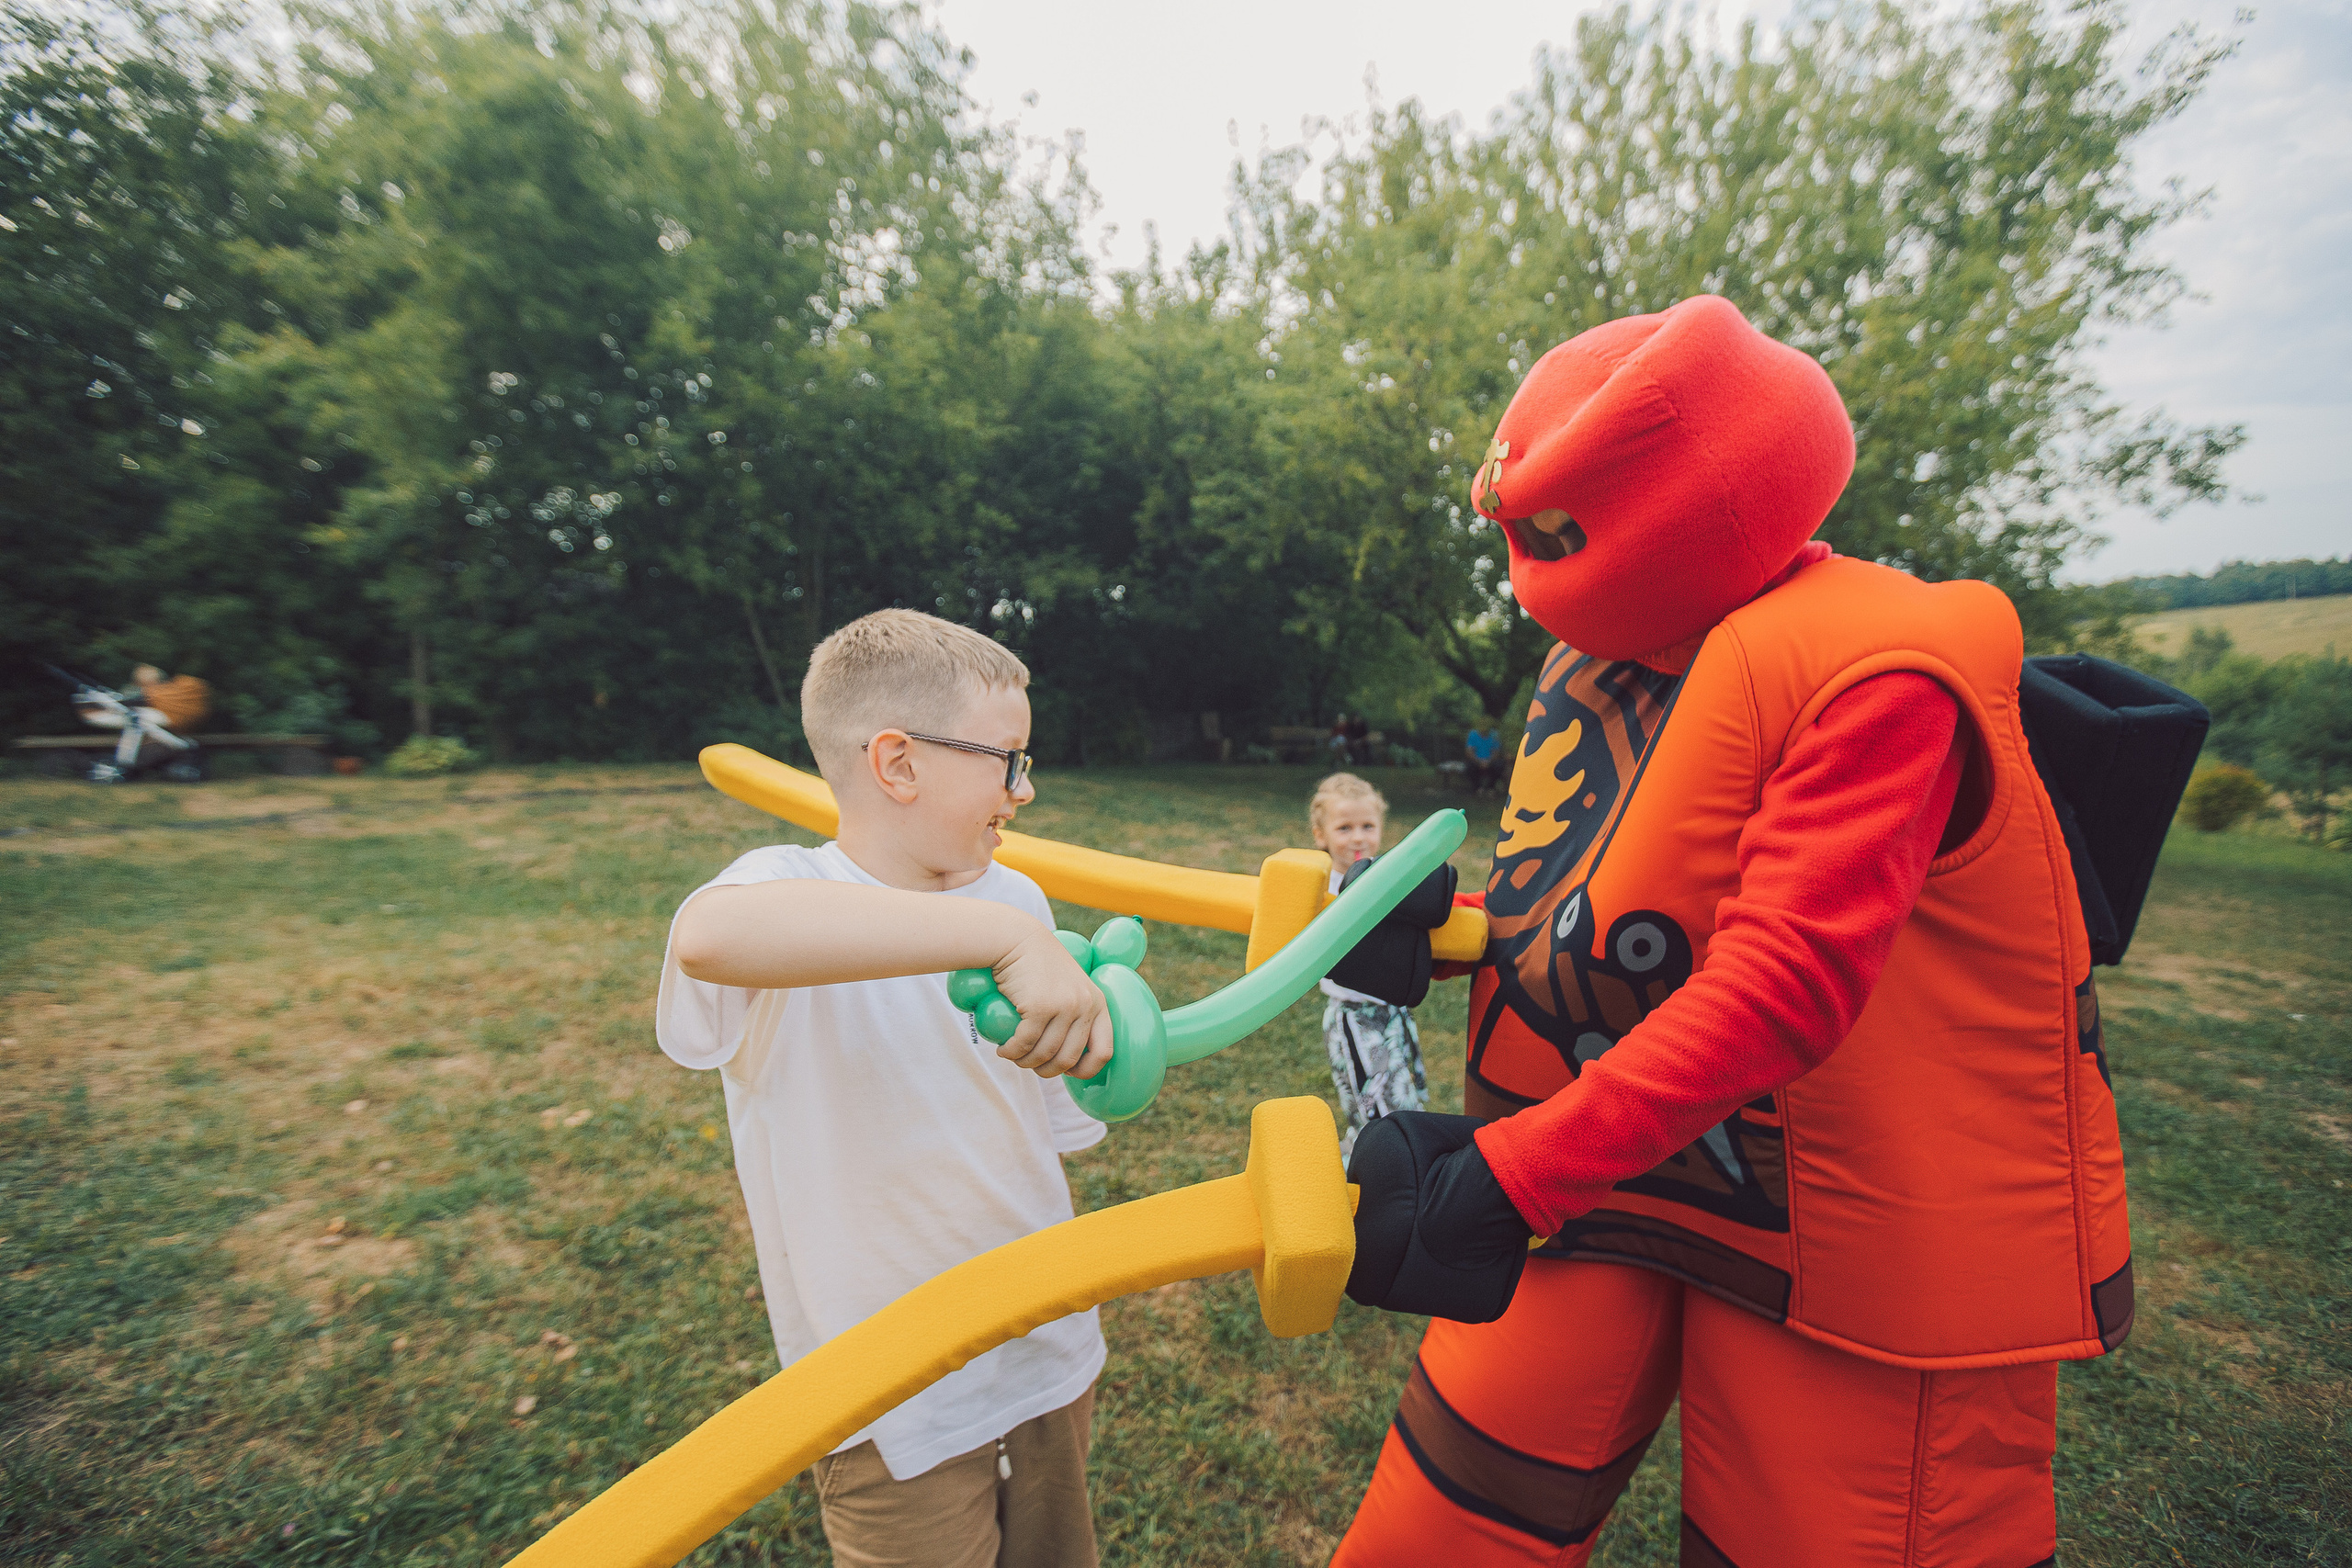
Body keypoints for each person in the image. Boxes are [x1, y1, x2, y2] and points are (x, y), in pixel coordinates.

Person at [1332, 297, 2132, 1567]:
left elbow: (1780, 986)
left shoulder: (1882, 670)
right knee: (1457, 1505)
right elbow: (1613, 900)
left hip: (1862, 1226)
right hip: (1610, 1168)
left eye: (1547, 527)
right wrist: (1447, 938)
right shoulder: (1608, 660)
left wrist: (1512, 1170)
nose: (1525, 560)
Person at [660, 609, 1114, 1568]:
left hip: (1042, 1342)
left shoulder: (1017, 900)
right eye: (1008, 762)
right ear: (898, 764)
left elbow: (1054, 1122)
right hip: (881, 1388)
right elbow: (711, 939)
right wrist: (994, 940)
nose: (1022, 792)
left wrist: (1088, 1035)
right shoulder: (781, 883)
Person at [1308, 773, 1430, 1162]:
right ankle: (1361, 1181)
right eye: (1344, 828)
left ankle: (1400, 1176)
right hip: (1355, 1018)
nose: (1358, 837)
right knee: (1378, 1117)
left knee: (1405, 1106)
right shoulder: (1324, 888)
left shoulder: (1385, 877)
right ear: (1320, 835)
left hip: (1391, 1011)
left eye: (1367, 826)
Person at [1461, 725, 1503, 795]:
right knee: (1469, 767)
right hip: (1476, 761)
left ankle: (1491, 787)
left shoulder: (1494, 735)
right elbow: (1469, 751)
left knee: (1499, 765)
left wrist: (1488, 761)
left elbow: (1496, 752)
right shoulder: (1473, 734)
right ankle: (1477, 788)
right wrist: (1479, 761)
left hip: (1490, 761)